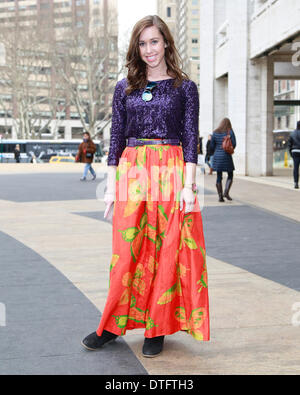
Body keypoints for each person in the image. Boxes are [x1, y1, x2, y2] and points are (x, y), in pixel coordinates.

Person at [81, 15, 210, 358]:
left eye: (154, 41)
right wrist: (110, 188)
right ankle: (111, 324)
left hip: (170, 170)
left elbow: (189, 141)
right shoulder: (125, 87)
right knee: (127, 252)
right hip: (132, 171)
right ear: (136, 48)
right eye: (142, 43)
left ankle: (158, 326)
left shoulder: (185, 88)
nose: (149, 49)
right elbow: (115, 140)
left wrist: (188, 185)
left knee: (167, 250)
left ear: (166, 42)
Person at [210, 118, 236, 202]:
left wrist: (216, 151)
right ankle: (226, 192)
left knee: (219, 176)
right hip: (227, 156)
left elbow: (212, 146)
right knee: (230, 174)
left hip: (217, 156)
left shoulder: (215, 132)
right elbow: (234, 144)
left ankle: (220, 197)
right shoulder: (230, 132)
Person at [288, 121, 300, 189]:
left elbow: (289, 145)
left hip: (295, 151)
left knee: (296, 168)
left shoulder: (292, 134)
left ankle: (296, 183)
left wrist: (291, 153)